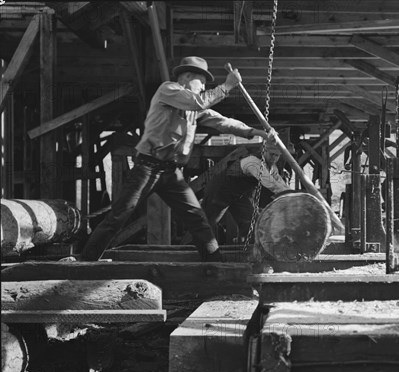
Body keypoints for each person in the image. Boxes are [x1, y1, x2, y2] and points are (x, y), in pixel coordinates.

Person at [81, 56, 274, 261]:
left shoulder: (193, 109)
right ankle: (87, 261)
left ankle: (214, 264)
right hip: (147, 168)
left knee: (198, 219)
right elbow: (199, 102)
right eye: (201, 82)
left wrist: (257, 132)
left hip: (171, 172)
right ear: (187, 77)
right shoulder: (168, 90)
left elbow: (222, 122)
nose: (203, 87)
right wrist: (227, 86)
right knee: (120, 215)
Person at [202, 140, 291, 241]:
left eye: (277, 155)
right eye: (272, 154)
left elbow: (279, 182)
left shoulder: (272, 168)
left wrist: (293, 194)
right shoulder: (253, 162)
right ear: (264, 151)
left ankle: (247, 251)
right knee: (207, 224)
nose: (274, 158)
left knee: (252, 223)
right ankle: (199, 250)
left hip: (238, 196)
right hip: (220, 191)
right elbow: (271, 184)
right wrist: (290, 196)